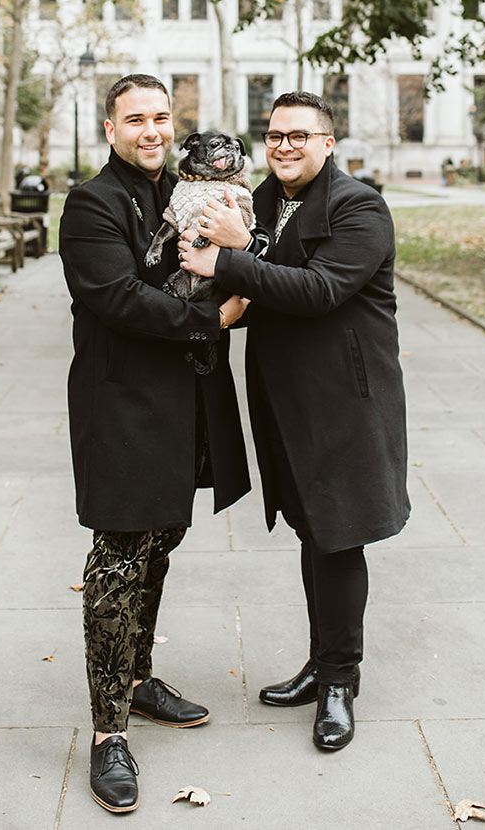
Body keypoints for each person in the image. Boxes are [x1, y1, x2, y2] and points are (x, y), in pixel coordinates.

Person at [179, 90, 410, 753]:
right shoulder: (263, 199)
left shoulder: (358, 206)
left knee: (339, 536)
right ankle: (322, 662)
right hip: (284, 397)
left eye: (299, 136)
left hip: (344, 400)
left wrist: (229, 254)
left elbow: (320, 289)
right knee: (314, 528)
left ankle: (341, 681)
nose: (284, 146)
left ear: (328, 143)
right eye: (275, 135)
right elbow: (251, 287)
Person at [59, 75, 253, 814]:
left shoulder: (189, 189)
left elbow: (236, 251)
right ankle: (108, 734)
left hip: (188, 397)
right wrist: (217, 319)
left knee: (162, 538)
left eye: (161, 117)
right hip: (124, 405)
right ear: (109, 129)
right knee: (117, 556)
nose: (152, 130)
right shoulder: (91, 204)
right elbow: (114, 299)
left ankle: (136, 683)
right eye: (135, 119)